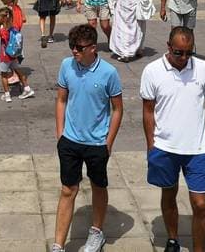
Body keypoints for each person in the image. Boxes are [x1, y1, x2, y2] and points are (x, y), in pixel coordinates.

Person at [141, 27, 205, 252]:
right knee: (168, 194)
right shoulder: (152, 71)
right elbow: (148, 111)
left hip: (196, 149)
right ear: (168, 47)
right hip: (164, 147)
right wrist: (151, 145)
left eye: (189, 52)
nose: (184, 58)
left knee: (200, 204)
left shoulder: (204, 69)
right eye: (179, 52)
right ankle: (172, 239)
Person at [51, 24, 124, 252]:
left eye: (79, 48)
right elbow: (61, 99)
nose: (74, 51)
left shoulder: (109, 73)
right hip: (70, 141)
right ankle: (58, 245)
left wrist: (108, 143)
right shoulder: (66, 66)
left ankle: (96, 232)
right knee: (67, 189)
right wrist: (60, 134)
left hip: (96, 143)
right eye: (72, 46)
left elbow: (117, 109)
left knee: (98, 185)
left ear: (93, 48)